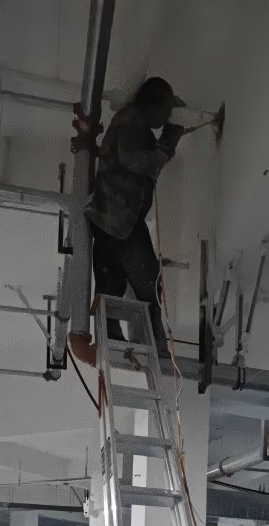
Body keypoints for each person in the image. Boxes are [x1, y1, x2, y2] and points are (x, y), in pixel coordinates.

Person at [85, 76, 187, 360]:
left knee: (113, 281)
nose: (167, 117)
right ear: (153, 105)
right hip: (118, 220)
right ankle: (154, 343)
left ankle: (117, 337)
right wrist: (166, 145)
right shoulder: (130, 119)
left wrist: (162, 146)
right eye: (166, 110)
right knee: (146, 280)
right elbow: (136, 162)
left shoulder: (135, 124)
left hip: (115, 219)